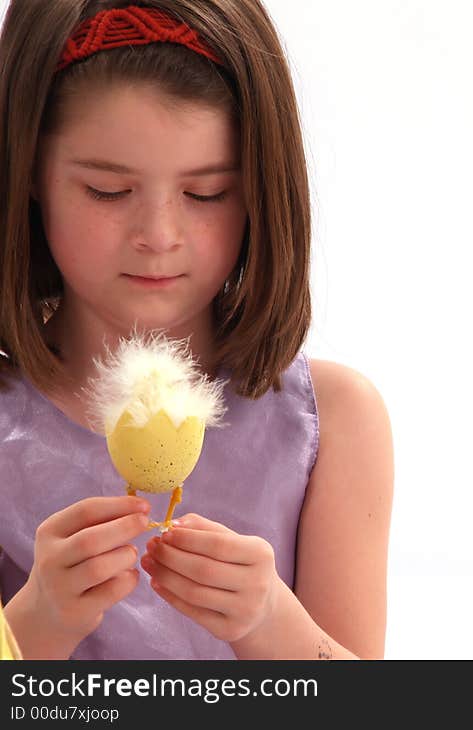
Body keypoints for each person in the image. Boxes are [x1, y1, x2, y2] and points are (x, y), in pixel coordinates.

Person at [0, 0, 394, 660]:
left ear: (262, 189)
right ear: (31, 172)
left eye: (207, 193)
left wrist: (271, 622)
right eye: (106, 190)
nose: (158, 237)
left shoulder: (334, 423)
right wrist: (34, 623)